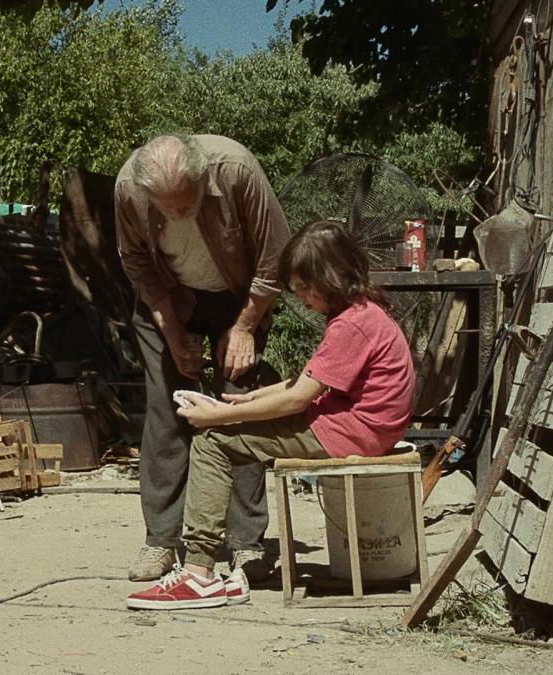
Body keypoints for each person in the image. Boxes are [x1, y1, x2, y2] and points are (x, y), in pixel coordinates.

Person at [124, 220, 416, 610]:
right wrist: (243, 403)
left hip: (351, 432)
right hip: (362, 425)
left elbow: (298, 399)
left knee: (212, 442)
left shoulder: (352, 326)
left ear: (327, 278)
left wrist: (218, 419)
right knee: (229, 425)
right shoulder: (364, 311)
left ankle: (198, 573)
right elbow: (309, 379)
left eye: (302, 288)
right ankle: (206, 564)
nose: (299, 297)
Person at [115, 134, 292, 583]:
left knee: (238, 410)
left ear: (201, 177)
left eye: (184, 202)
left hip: (237, 296)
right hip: (168, 298)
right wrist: (172, 331)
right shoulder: (129, 188)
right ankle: (161, 540)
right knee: (167, 412)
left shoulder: (237, 170)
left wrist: (246, 327)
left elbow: (276, 258)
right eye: (165, 207)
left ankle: (246, 544)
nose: (175, 213)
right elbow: (136, 263)